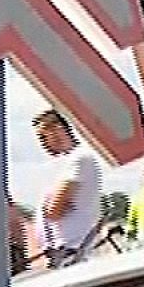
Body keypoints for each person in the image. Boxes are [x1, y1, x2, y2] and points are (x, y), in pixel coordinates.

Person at [31, 109, 101, 268]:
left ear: (58, 130)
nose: (42, 143)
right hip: (61, 248)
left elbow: (54, 209)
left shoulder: (79, 159)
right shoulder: (62, 164)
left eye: (43, 136)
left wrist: (52, 207)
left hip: (74, 246)